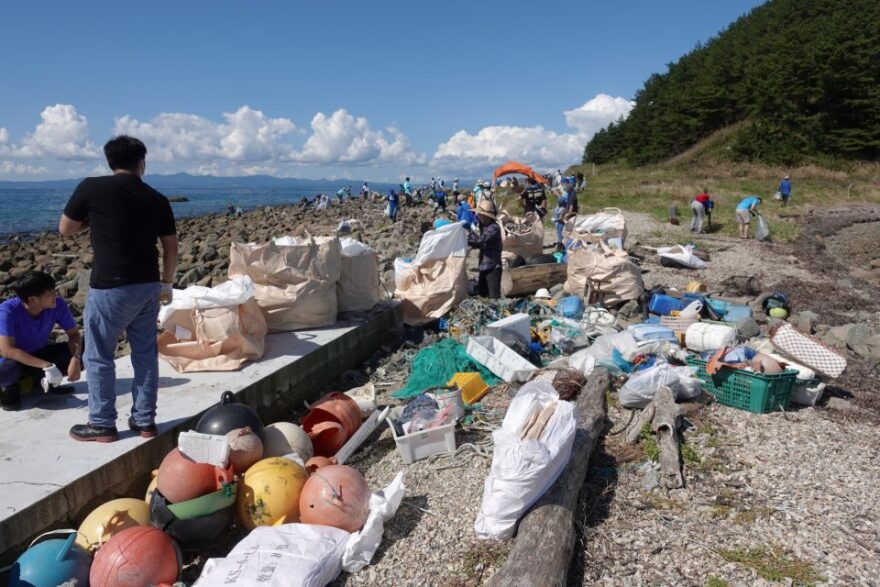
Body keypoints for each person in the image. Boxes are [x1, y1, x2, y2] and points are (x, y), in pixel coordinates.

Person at [59, 135, 178, 442]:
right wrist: (167, 281)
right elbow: (170, 246)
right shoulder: (157, 198)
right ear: (142, 163)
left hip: (109, 287)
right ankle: (144, 422)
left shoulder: (91, 187)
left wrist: (92, 221)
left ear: (110, 162)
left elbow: (65, 229)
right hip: (148, 285)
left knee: (99, 356)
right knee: (145, 354)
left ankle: (101, 423)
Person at [0, 272, 82, 410]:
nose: (55, 296)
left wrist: (76, 358)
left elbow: (74, 335)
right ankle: (10, 388)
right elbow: (8, 351)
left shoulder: (58, 305)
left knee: (83, 348)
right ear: (32, 299)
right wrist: (47, 365)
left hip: (40, 353)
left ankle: (45, 382)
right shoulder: (8, 310)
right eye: (50, 293)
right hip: (14, 360)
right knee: (5, 371)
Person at [468, 199, 502, 299]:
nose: (478, 216)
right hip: (484, 266)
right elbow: (479, 244)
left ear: (486, 216)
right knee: (482, 294)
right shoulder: (485, 227)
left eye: (480, 214)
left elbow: (480, 241)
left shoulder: (493, 227)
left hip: (493, 267)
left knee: (494, 297)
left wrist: (469, 233)